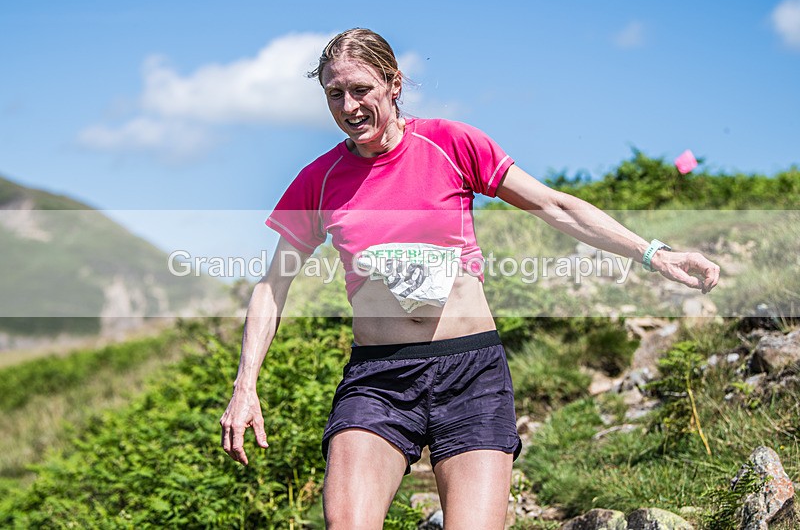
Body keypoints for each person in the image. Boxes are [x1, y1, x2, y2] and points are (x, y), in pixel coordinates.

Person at [220, 28, 720, 529]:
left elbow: (555, 205)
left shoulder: (449, 143)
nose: (348, 106)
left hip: (470, 373)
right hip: (379, 379)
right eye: (334, 94)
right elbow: (272, 285)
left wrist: (654, 253)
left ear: (393, 84)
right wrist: (246, 385)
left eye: (361, 89)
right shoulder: (321, 179)